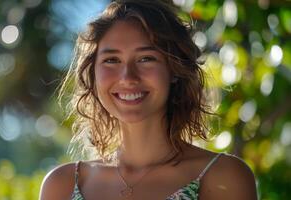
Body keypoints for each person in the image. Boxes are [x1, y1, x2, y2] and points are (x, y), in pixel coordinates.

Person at [40, 0, 258, 199]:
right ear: (93, 74)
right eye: (112, 60)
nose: (128, 77)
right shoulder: (62, 185)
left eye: (146, 58)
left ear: (174, 69)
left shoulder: (224, 177)